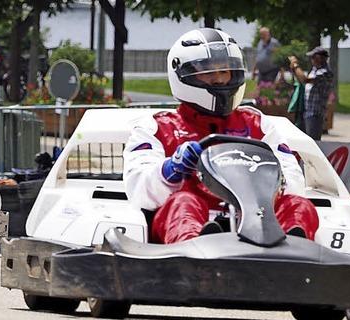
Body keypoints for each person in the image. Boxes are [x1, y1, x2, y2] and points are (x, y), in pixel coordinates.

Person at [123, 28, 319, 245]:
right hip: (187, 230)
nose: (219, 80)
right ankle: (199, 256)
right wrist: (171, 169)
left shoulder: (259, 125)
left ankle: (294, 258)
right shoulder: (157, 127)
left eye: (224, 71)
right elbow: (138, 191)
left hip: (257, 225)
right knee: (184, 202)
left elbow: (293, 181)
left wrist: (272, 180)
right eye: (208, 72)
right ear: (183, 74)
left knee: (299, 205)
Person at [288, 47, 333, 141]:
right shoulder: (314, 70)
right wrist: (293, 69)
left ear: (319, 58)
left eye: (313, 57)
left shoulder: (325, 72)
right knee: (303, 141)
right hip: (307, 111)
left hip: (315, 113)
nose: (311, 60)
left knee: (313, 142)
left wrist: (296, 65)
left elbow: (305, 80)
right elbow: (301, 80)